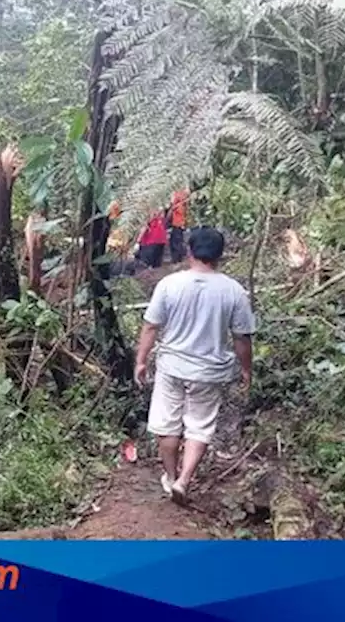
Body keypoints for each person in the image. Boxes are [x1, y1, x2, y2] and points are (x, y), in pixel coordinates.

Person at [134, 227, 256, 505]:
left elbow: (151, 326)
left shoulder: (169, 284)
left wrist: (141, 361)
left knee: (167, 425)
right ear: (220, 255)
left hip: (172, 366)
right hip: (210, 371)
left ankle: (170, 475)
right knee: (199, 427)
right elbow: (241, 338)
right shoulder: (234, 291)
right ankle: (184, 480)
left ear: (189, 251)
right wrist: (246, 368)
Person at [167, 187, 190, 263]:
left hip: (178, 224)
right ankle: (178, 258)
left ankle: (177, 259)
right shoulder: (182, 204)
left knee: (176, 242)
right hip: (178, 223)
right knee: (176, 241)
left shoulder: (180, 205)